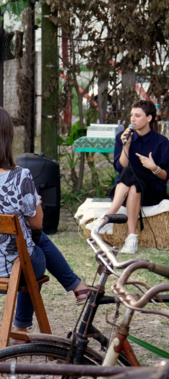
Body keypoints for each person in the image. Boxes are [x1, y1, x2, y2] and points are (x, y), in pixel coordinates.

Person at [0, 107, 88, 339]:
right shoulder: (20, 176)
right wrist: (35, 202)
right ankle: (75, 287)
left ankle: (75, 287)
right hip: (12, 268)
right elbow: (38, 222)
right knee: (33, 250)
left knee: (30, 243)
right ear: (7, 137)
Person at [105, 100, 169, 254]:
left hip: (152, 193)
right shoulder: (122, 138)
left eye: (137, 116)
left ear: (149, 118)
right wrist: (127, 145)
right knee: (133, 182)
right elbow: (120, 167)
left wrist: (154, 167)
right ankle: (132, 238)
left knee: (131, 174)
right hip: (127, 191)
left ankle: (108, 216)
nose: (132, 119)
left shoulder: (161, 143)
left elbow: (166, 176)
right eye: (131, 115)